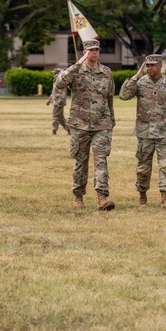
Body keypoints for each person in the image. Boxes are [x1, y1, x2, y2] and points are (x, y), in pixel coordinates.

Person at [56, 39, 116, 210]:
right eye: (90, 50)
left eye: (96, 50)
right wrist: (77, 64)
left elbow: (110, 96)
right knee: (80, 162)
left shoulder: (106, 72)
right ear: (84, 52)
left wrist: (111, 118)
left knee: (101, 161)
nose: (94, 53)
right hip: (79, 124)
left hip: (102, 124)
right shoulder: (75, 71)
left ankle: (102, 198)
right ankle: (78, 197)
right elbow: (60, 82)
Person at [118, 54, 166, 208]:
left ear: (160, 65)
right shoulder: (140, 83)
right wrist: (136, 76)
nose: (150, 68)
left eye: (153, 65)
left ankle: (165, 198)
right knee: (143, 167)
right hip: (144, 133)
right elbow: (123, 95)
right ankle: (142, 196)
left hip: (164, 133)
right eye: (147, 65)